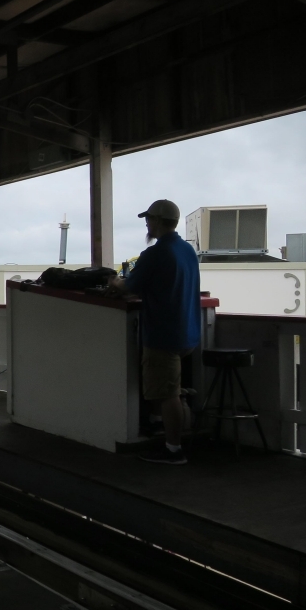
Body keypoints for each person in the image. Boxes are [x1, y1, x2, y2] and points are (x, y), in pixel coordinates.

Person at [109, 199, 201, 466]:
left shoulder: (156, 253)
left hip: (164, 334)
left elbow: (130, 286)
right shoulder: (186, 250)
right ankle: (160, 426)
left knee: (167, 393)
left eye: (148, 219)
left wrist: (114, 281)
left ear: (159, 221)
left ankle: (174, 450)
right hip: (188, 332)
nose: (147, 224)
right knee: (168, 387)